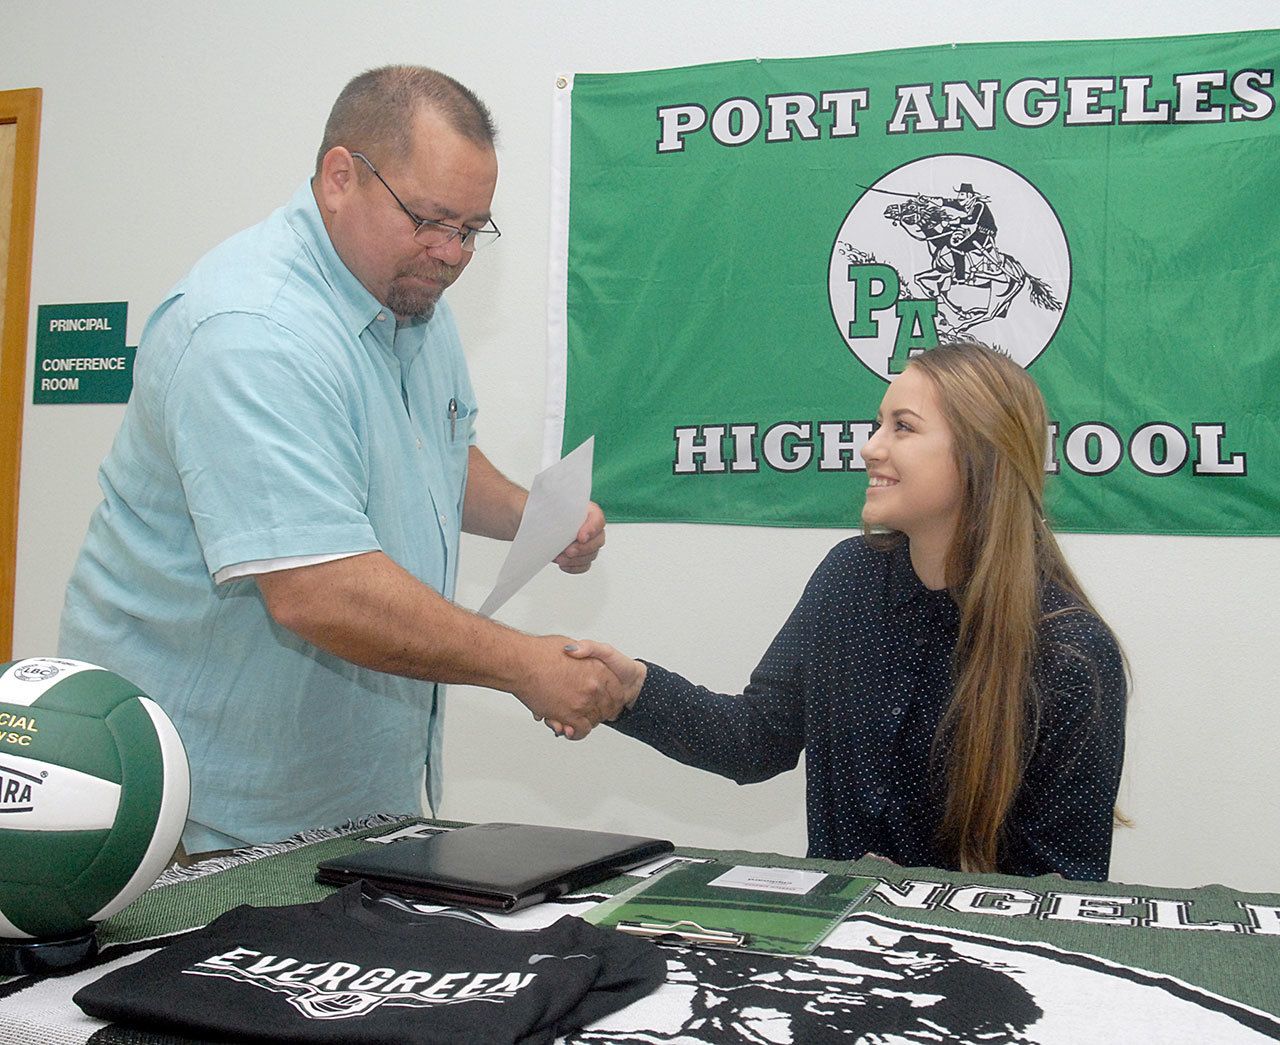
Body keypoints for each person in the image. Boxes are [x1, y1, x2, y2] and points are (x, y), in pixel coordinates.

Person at [58, 66, 627, 857]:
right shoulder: (250, 329)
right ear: (339, 177)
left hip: (347, 804)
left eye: (471, 228)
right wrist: (523, 665)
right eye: (431, 219)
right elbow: (316, 587)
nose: (451, 253)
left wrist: (533, 516)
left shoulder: (406, 294)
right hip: (203, 821)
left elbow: (433, 450)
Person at [567, 342, 1127, 880]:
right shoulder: (849, 577)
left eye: (902, 427)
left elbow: (1063, 888)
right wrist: (635, 690)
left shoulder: (1070, 653)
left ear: (980, 454)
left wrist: (913, 898)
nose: (871, 448)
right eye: (879, 424)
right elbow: (758, 739)